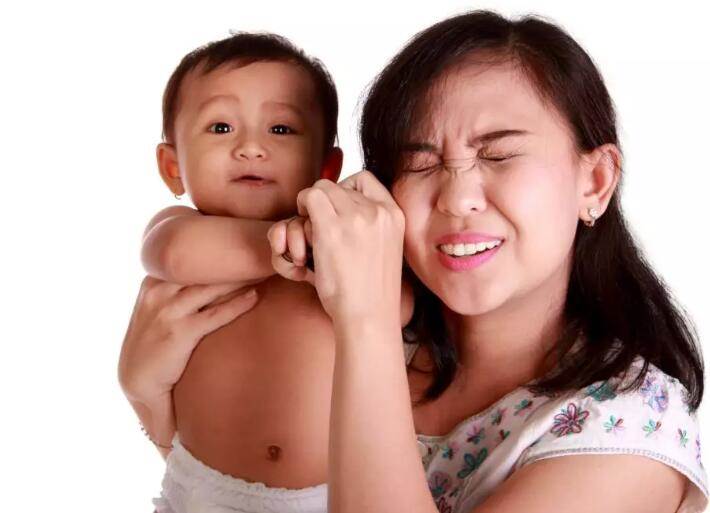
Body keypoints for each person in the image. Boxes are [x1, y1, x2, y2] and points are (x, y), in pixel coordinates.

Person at [120, 10, 708, 513]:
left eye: (499, 155)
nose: (456, 198)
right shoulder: (374, 317)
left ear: (595, 181)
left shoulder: (628, 435)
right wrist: (147, 396)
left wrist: (366, 320)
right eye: (421, 163)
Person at [120, 32, 411, 513]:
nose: (251, 147)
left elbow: (395, 308)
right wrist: (293, 243)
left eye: (281, 129)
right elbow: (173, 255)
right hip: (199, 492)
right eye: (220, 127)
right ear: (172, 167)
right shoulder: (182, 228)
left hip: (331, 497)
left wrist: (329, 240)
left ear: (327, 167)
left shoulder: (345, 244)